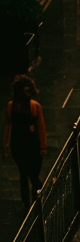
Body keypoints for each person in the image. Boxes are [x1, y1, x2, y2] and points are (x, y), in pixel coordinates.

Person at [2, 74, 47, 209]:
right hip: (20, 144)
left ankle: (31, 198)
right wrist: (5, 146)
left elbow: (41, 128)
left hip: (31, 144)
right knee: (25, 172)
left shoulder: (35, 106)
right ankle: (33, 198)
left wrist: (43, 146)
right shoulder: (11, 106)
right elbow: (7, 126)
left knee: (29, 172)